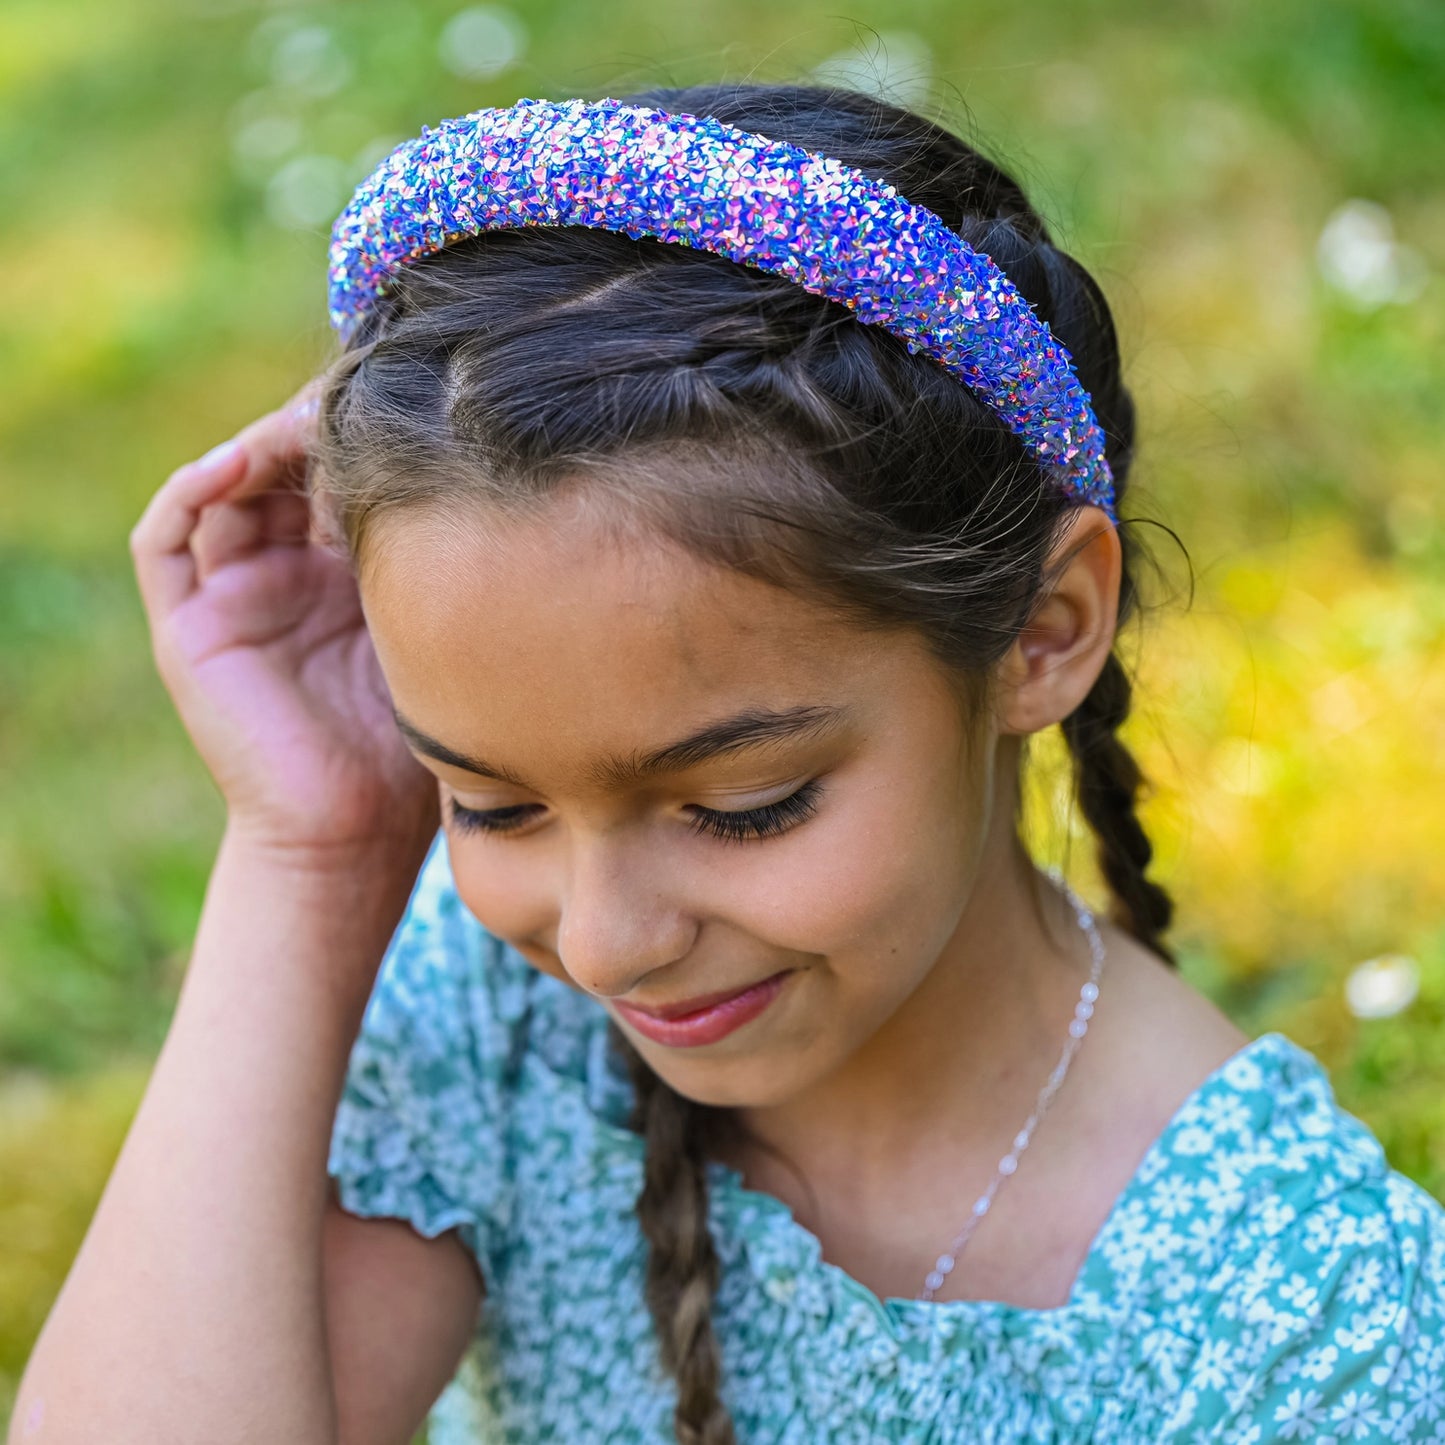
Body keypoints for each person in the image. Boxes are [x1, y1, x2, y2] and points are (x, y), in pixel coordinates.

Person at [13, 82, 1445, 1445]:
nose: (603, 937)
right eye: (490, 800)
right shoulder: (495, 1012)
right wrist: (307, 851)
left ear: (1041, 630)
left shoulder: (1299, 1318)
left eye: (741, 807)